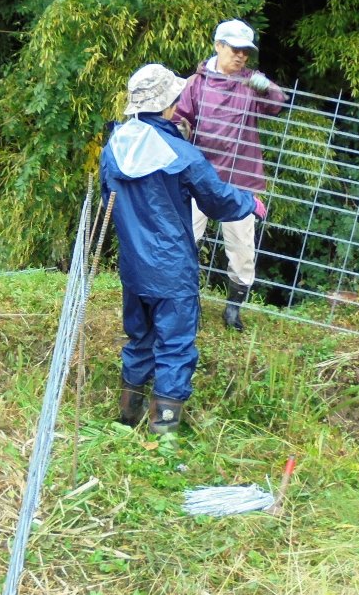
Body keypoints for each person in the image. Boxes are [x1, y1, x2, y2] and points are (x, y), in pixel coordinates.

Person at [101, 64, 267, 434]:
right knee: (175, 344)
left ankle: (127, 417)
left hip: (133, 264)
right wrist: (248, 203)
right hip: (172, 268)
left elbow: (106, 199)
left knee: (140, 336)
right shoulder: (180, 154)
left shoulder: (113, 147)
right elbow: (217, 200)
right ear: (168, 106)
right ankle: (164, 432)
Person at [174, 19, 287, 331]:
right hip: (198, 177)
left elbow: (278, 104)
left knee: (241, 251)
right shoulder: (194, 84)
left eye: (246, 52)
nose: (241, 56)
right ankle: (185, 300)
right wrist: (180, 131)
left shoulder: (250, 81)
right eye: (235, 49)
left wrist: (269, 88)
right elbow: (179, 121)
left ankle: (233, 310)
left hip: (241, 179)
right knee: (186, 240)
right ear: (218, 45)